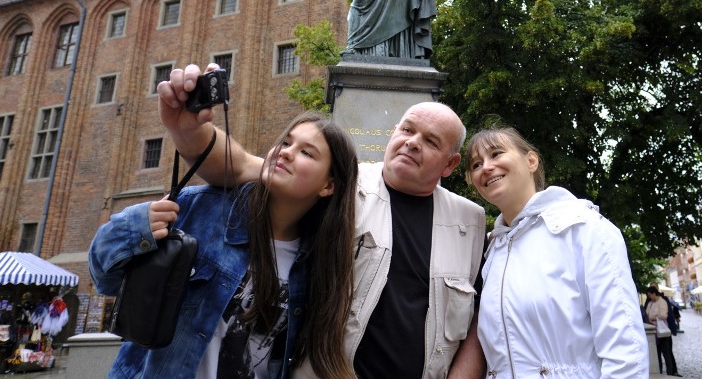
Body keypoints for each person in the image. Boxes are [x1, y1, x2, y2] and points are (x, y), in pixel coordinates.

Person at [157, 64, 488, 379]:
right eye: (407, 130)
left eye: (430, 141)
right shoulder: (336, 184)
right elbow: (238, 165)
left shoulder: (469, 222)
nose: (413, 142)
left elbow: (478, 320)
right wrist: (185, 127)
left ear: (450, 164)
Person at [89, 109, 359, 379]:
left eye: (307, 153)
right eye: (286, 142)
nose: (286, 152)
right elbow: (105, 278)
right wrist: (138, 227)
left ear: (328, 186)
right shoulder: (201, 208)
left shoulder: (318, 264)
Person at [465, 125, 649, 378]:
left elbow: (626, 348)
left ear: (531, 161)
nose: (485, 167)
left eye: (496, 154)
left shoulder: (584, 230)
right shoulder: (490, 252)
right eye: (476, 165)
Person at [646, 286, 682, 377]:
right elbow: (647, 313)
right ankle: (659, 372)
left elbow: (663, 316)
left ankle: (670, 373)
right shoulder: (651, 303)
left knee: (666, 353)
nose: (650, 297)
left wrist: (652, 317)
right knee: (657, 354)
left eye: (650, 295)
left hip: (662, 332)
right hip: (654, 332)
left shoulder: (662, 302)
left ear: (654, 293)